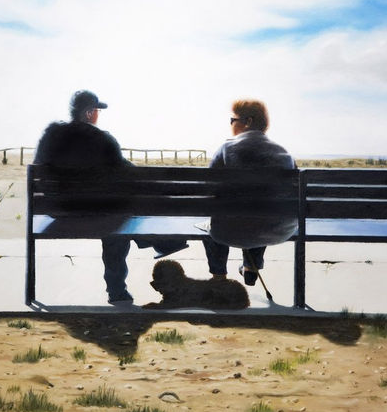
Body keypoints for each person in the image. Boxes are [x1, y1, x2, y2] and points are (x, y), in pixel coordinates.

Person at [33, 90, 187, 305]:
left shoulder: (51, 134)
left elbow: (39, 170)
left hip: (58, 210)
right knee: (118, 217)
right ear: (88, 113)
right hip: (96, 212)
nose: (97, 115)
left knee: (116, 209)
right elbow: (127, 175)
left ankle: (162, 244)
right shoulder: (102, 139)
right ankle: (118, 288)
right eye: (96, 110)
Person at [202, 99, 297, 287]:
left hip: (228, 231)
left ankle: (219, 275)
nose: (230, 124)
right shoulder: (284, 153)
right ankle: (251, 269)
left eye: (232, 120)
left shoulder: (226, 149)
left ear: (248, 121)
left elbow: (209, 189)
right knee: (263, 213)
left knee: (212, 224)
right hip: (276, 230)